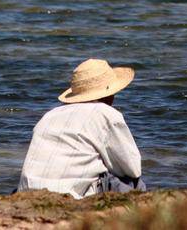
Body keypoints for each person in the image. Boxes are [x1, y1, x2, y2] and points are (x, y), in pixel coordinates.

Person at [17, 58, 146, 199]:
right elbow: (133, 168)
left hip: (26, 192)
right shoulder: (106, 114)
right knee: (134, 183)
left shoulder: (49, 115)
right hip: (68, 197)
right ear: (110, 94)